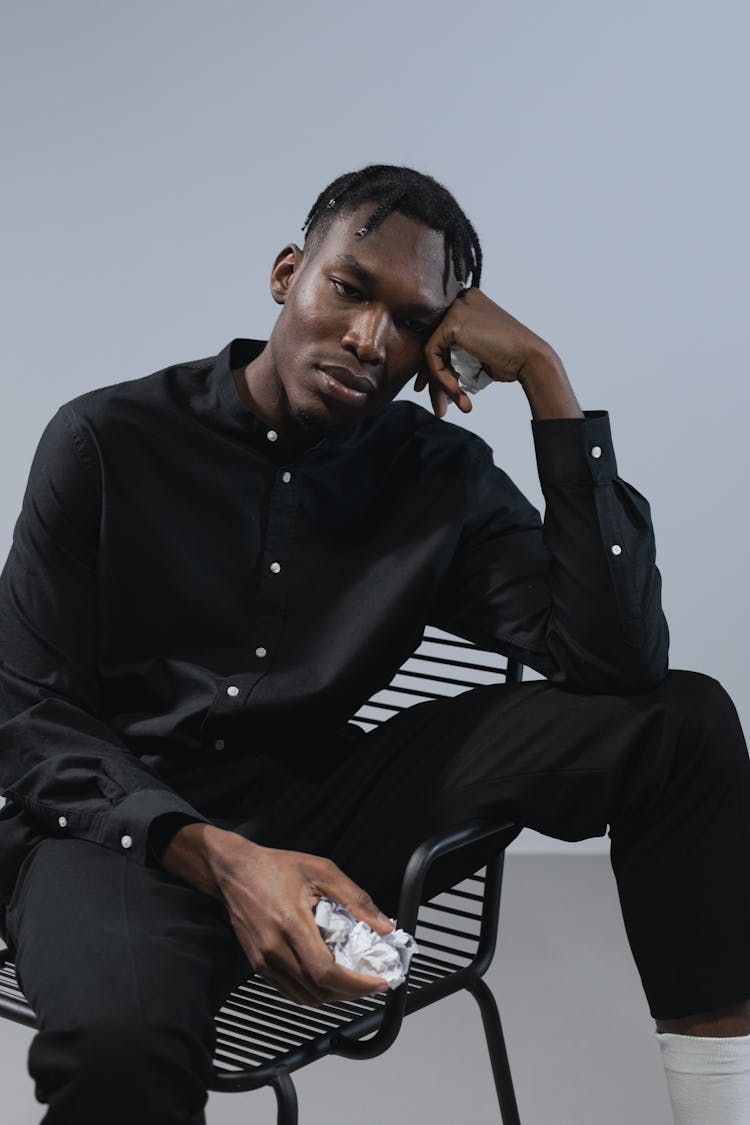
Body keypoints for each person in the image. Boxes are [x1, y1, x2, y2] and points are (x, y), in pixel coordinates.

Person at [0, 163, 748, 1125]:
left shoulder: (438, 475)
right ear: (287, 274)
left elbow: (618, 664)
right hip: (126, 829)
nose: (367, 339)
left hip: (325, 807)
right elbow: (28, 716)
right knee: (119, 1052)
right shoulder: (107, 440)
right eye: (350, 290)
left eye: (411, 322)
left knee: (682, 720)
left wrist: (547, 382)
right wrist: (223, 858)